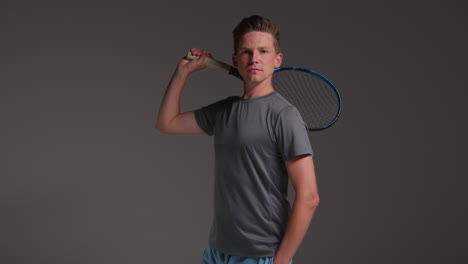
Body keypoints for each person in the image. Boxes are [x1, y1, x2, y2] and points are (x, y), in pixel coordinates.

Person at [156, 15, 319, 264]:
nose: (254, 58)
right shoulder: (224, 111)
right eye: (246, 51)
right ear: (235, 60)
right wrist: (182, 73)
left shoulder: (284, 116)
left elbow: (308, 197)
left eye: (263, 51)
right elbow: (167, 123)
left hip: (260, 255)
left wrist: (281, 261)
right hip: (217, 251)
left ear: (277, 60)